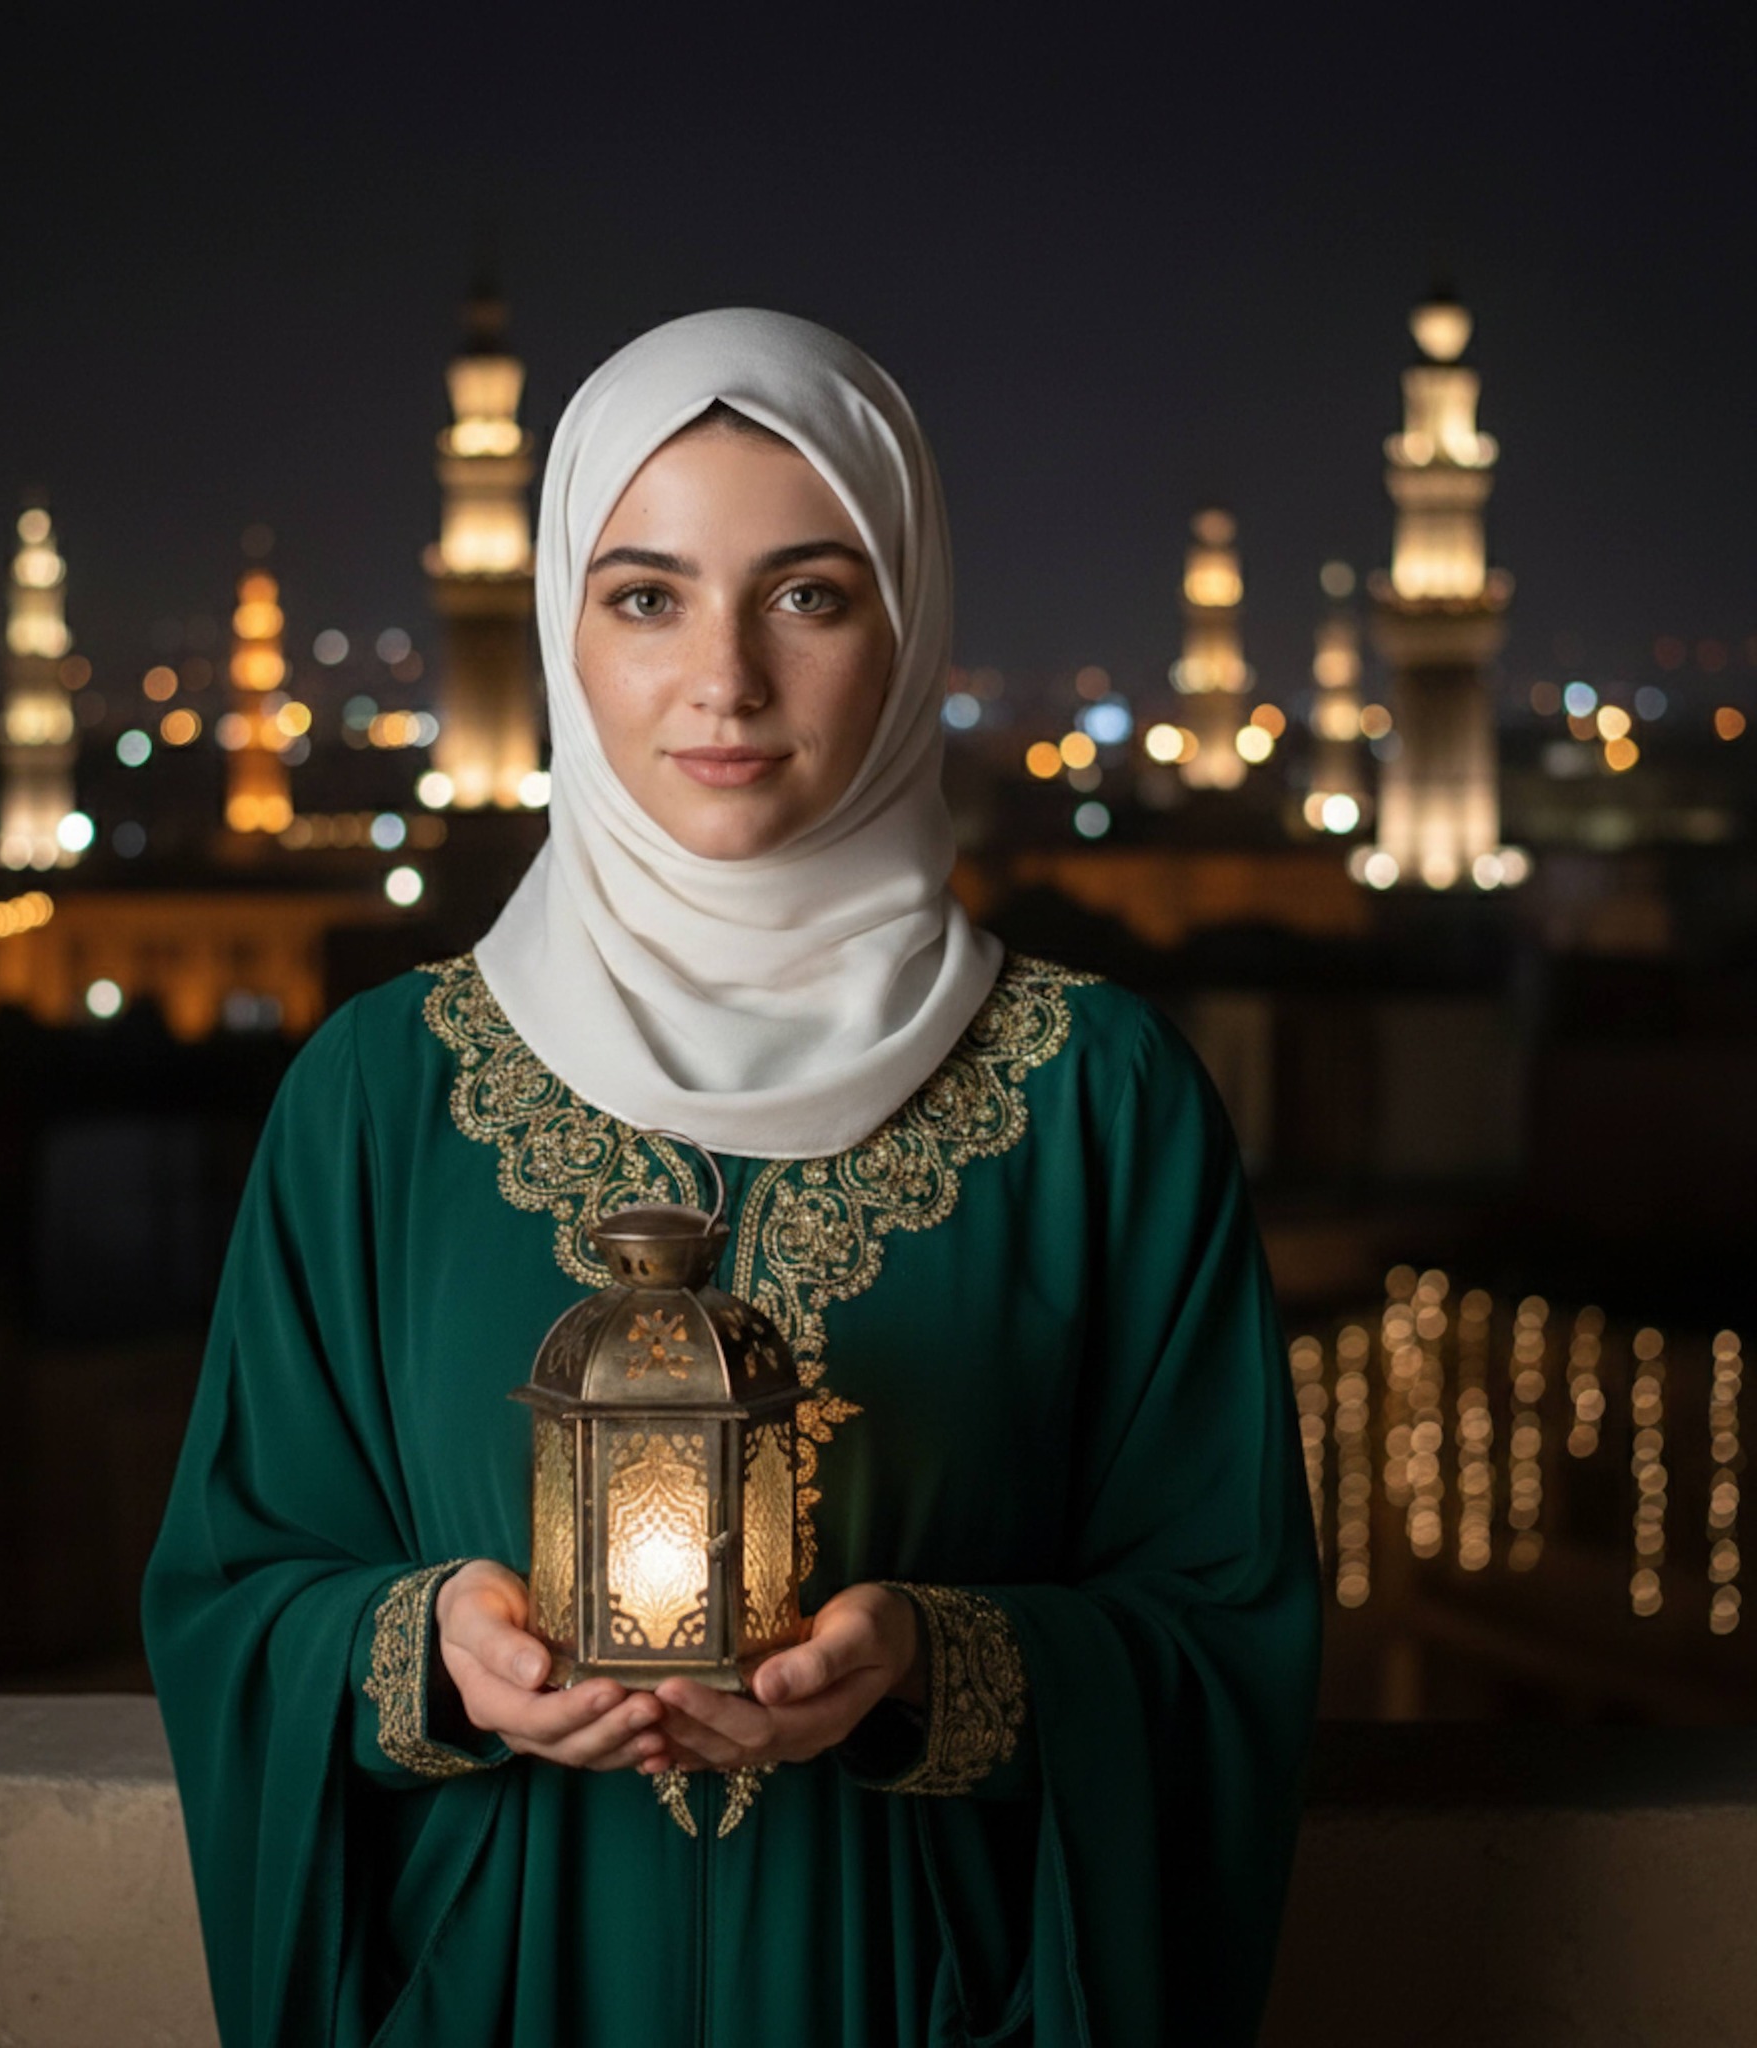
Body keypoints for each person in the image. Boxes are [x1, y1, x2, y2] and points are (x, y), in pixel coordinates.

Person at [140, 307, 1323, 2047]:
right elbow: (236, 1596)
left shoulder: (1096, 1101)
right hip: (505, 1989)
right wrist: (432, 1653)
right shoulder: (381, 1099)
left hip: (927, 1995)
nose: (726, 681)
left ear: (909, 624)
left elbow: (1227, 1639)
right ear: (562, 623)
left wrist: (932, 1668)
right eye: (646, 596)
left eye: (811, 595)